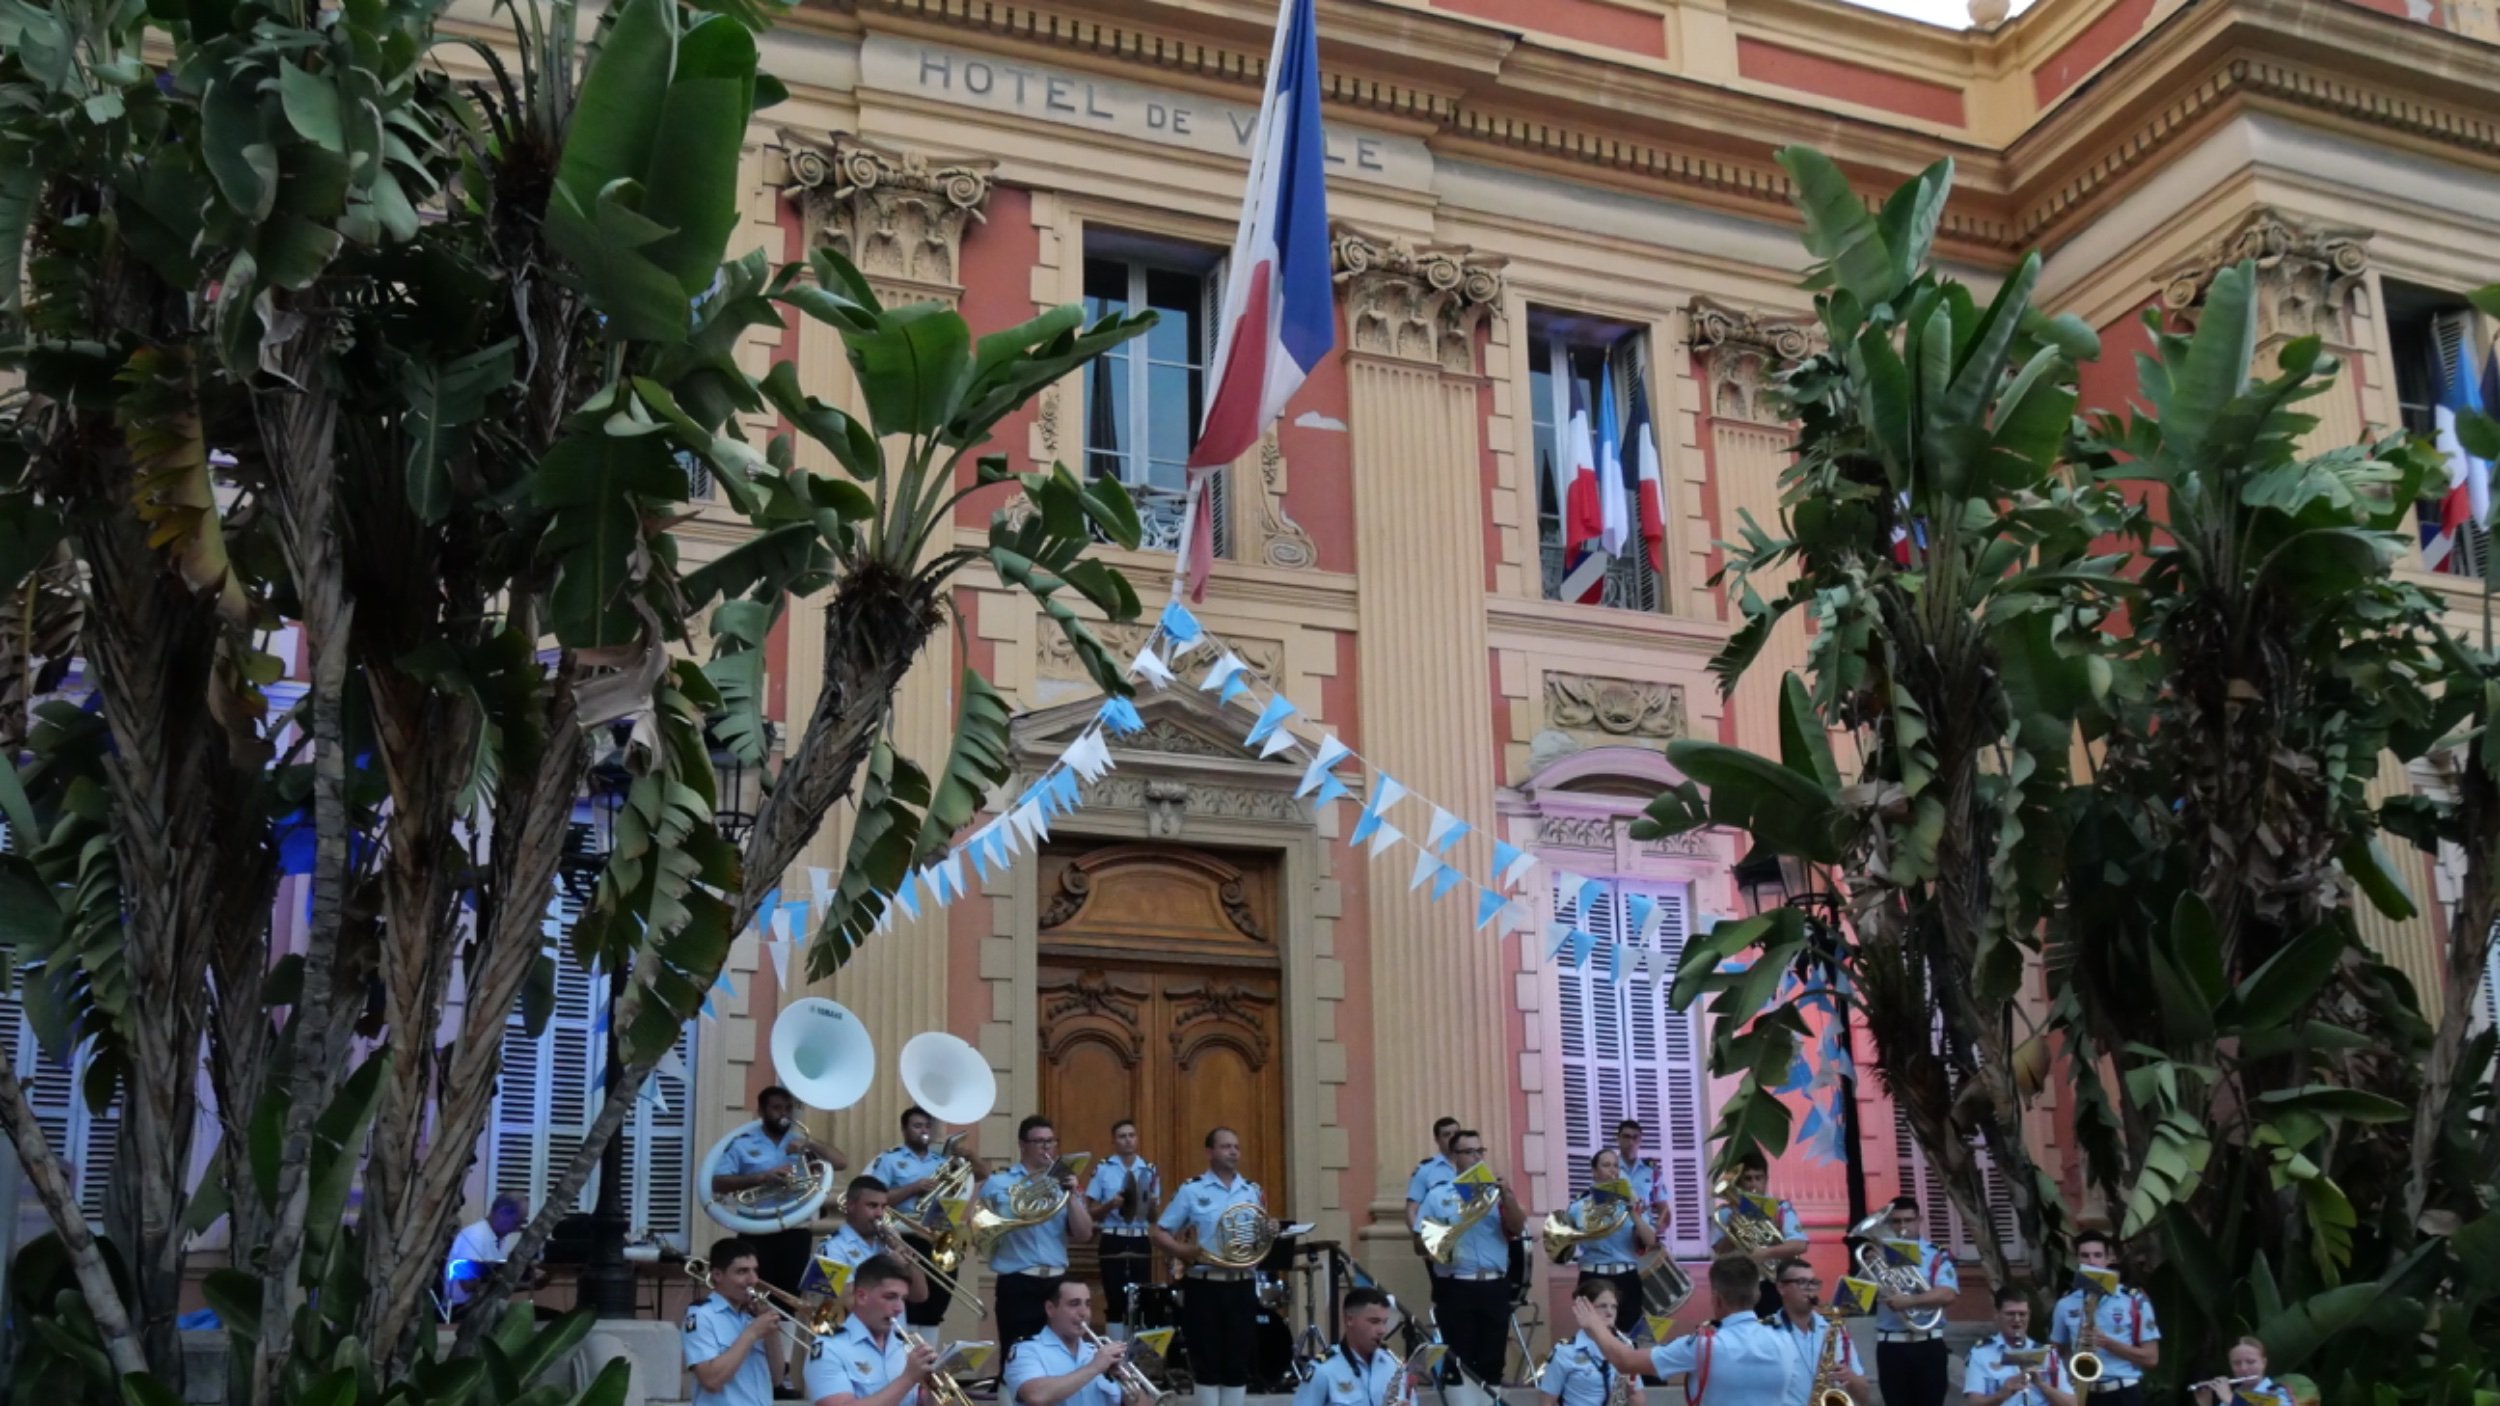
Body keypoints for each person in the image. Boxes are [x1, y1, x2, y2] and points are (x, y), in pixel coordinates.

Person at [1570, 1254, 1806, 1402]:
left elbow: (1626, 1361)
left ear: (1716, 1299)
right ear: (1757, 1295)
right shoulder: (1787, 1339)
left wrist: (1595, 1325)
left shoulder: (1704, 1345)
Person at [1151, 1126, 1267, 1406]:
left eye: (1236, 1147)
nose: (1233, 1152)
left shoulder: (1252, 1191)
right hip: (1204, 1286)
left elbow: (1258, 1239)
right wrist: (1184, 1251)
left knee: (1238, 1363)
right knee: (1206, 1363)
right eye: (1226, 1146)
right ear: (1209, 1152)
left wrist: (1268, 1231)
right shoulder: (1192, 1190)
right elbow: (1158, 1232)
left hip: (1241, 1285)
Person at [1409, 1128, 1527, 1394]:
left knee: (1492, 1361)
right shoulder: (1438, 1196)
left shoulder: (1496, 1194)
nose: (1477, 1157)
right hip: (1456, 1285)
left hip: (1493, 1285)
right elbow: (1418, 1244)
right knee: (1458, 1362)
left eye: (1480, 1151)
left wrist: (1507, 1195)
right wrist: (1447, 1233)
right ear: (1455, 1157)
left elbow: (1518, 1228)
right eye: (1469, 1152)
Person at [715, 1086, 850, 1297]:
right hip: (756, 1229)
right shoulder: (742, 1144)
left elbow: (841, 1163)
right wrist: (762, 1177)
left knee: (790, 1295)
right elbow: (718, 1183)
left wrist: (810, 1143)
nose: (784, 1114)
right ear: (761, 1111)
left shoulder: (800, 1142)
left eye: (788, 1108)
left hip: (795, 1229)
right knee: (755, 1292)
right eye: (777, 1108)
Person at [981, 1115, 1094, 1351]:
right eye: (1039, 1142)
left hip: (1057, 1281)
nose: (1046, 1148)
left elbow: (1084, 1234)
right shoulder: (999, 1182)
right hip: (1018, 1280)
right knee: (1016, 1352)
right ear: (1022, 1145)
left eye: (1051, 1141)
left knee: (1060, 1352)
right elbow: (979, 1225)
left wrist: (1071, 1195)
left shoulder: (1063, 1183)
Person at [869, 1106, 959, 1341]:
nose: (924, 1131)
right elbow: (876, 1198)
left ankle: (929, 1356)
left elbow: (964, 1189)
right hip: (905, 1236)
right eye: (917, 1126)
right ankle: (906, 1352)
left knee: (936, 1305)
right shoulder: (890, 1159)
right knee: (909, 1303)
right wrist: (913, 1188)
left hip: (937, 1238)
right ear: (904, 1129)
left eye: (927, 1126)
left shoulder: (942, 1162)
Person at [805, 1254, 941, 1406]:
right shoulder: (829, 1348)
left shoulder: (906, 1346)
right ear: (861, 1296)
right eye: (890, 1297)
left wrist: (933, 1389)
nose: (899, 1308)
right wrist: (908, 1379)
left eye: (903, 1298)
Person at [2048, 1231, 2160, 1406]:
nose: (2091, 1262)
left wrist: (2107, 1343)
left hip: (2124, 1394)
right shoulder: (2065, 1303)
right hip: (2085, 1393)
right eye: (2085, 1256)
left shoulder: (2134, 1300)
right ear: (2077, 1260)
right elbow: (2057, 1353)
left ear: (2109, 1259)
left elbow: (2151, 1358)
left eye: (2098, 1255)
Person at [1868, 1196, 1959, 1406]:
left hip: (1929, 1344)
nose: (1902, 1226)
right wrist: (1871, 1266)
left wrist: (1909, 1302)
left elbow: (1948, 1294)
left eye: (1908, 1220)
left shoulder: (1937, 1254)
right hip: (1891, 1346)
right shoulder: (1878, 1256)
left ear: (1919, 1220)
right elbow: (1858, 1297)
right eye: (1896, 1221)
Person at [1003, 1277, 1148, 1406]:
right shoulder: (1027, 1351)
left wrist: (1125, 1378)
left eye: (1087, 1304)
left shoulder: (1096, 1352)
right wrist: (1094, 1367)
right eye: (1074, 1304)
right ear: (1050, 1309)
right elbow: (1036, 1396)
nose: (1084, 1313)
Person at [1565, 1149, 1657, 1339]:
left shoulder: (1632, 1203)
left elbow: (1650, 1241)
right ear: (1594, 1171)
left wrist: (1633, 1211)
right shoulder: (1578, 1207)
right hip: (1593, 1276)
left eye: (1616, 1166)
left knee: (1628, 1338)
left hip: (1626, 1277)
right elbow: (1565, 1246)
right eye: (1606, 1165)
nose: (1612, 1170)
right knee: (1594, 1338)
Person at [686, 1237, 786, 1406]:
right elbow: (711, 1381)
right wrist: (752, 1333)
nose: (753, 1280)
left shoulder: (752, 1316)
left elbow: (776, 1379)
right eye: (742, 1272)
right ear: (718, 1275)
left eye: (755, 1271)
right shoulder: (701, 1315)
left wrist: (771, 1333)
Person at [1707, 1152, 1806, 1319]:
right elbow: (1719, 1252)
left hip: (1771, 1284)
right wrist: (1732, 1230)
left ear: (1766, 1180)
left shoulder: (1781, 1208)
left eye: (1758, 1178)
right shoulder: (1725, 1213)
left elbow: (1800, 1245)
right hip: (1738, 1285)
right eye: (1748, 1179)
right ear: (1739, 1182)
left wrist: (1765, 1253)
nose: (1754, 1184)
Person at [1761, 1258, 1871, 1405]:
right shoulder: (1764, 1332)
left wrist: (1850, 1377)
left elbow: (1864, 1398)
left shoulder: (1835, 1328)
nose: (1810, 1288)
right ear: (1781, 1288)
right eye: (1801, 1282)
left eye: (1813, 1282)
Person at [1085, 1118, 1157, 1339]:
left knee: (1141, 1299)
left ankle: (1136, 1351)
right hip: (1113, 1238)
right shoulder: (1104, 1168)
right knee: (1115, 1300)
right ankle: (1114, 1351)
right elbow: (1089, 1211)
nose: (1128, 1140)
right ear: (1114, 1141)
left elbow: (1153, 1218)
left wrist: (1151, 1205)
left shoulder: (1149, 1170)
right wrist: (1110, 1205)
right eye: (1122, 1136)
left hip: (1140, 1238)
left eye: (1131, 1135)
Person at [814, 1177, 927, 1304]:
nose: (880, 1213)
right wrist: (888, 1266)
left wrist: (905, 1254)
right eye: (872, 1206)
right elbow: (847, 1301)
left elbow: (919, 1295)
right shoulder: (831, 1247)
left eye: (883, 1207)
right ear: (850, 1205)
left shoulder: (888, 1244)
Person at [1294, 1286, 1413, 1406]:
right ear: (1349, 1319)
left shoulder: (1393, 1365)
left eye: (1384, 1322)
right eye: (1374, 1321)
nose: (1382, 1330)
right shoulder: (1322, 1369)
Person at [1538, 1279, 1646, 1406]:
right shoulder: (1565, 1352)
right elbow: (1547, 1402)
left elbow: (1639, 1401)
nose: (1610, 1312)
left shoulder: (1625, 1348)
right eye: (1603, 1306)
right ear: (1584, 1309)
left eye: (1614, 1307)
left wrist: (1631, 1393)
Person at [1964, 1288, 2074, 1406]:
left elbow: (2072, 1403)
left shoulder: (2048, 1353)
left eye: (2022, 1314)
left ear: (2029, 1315)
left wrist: (2041, 1385)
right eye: (2010, 1314)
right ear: (1997, 1314)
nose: (2017, 1319)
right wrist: (2002, 1394)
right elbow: (1974, 1403)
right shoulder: (1981, 1354)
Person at [444, 1193, 524, 1315]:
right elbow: (467, 1284)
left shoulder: (501, 1238)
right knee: (521, 1312)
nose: (517, 1228)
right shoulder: (475, 1236)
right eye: (516, 1222)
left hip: (484, 1304)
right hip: (463, 1308)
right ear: (503, 1212)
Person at [1610, 1121, 1672, 1233]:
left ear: (1640, 1141)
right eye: (1626, 1137)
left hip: (1643, 1235)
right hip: (1615, 1235)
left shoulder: (1651, 1172)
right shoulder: (1608, 1169)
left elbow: (1664, 1209)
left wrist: (1657, 1228)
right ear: (1618, 1139)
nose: (1631, 1142)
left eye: (1635, 1138)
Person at [2191, 1337, 2288, 1406]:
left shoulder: (2279, 1394)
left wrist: (2230, 1399)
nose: (2243, 1368)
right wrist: (2206, 1404)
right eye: (2237, 1363)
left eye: (2250, 1362)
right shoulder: (2231, 1397)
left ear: (2264, 1363)